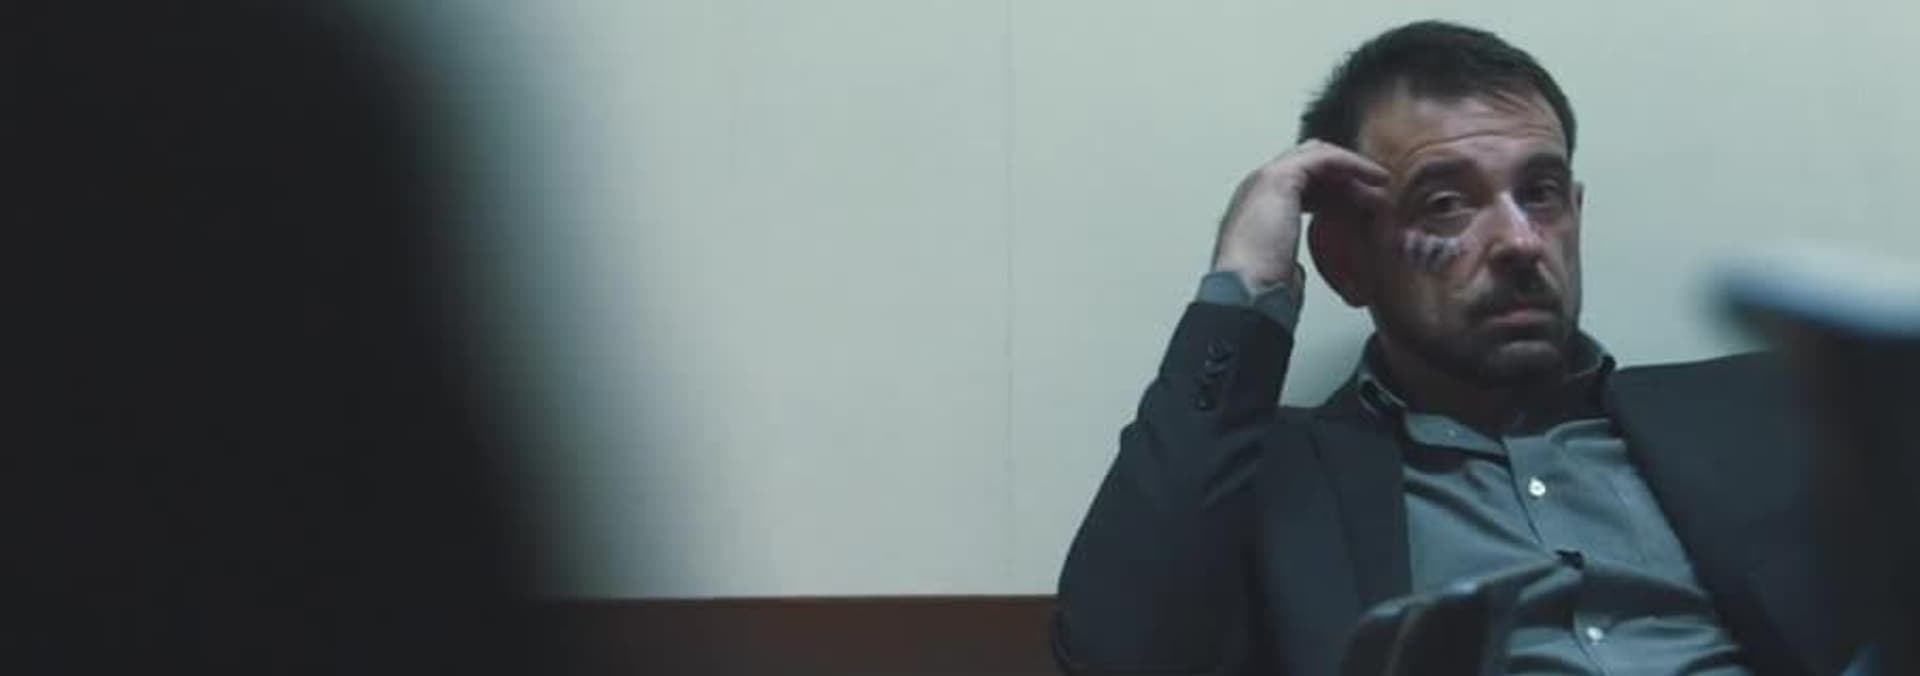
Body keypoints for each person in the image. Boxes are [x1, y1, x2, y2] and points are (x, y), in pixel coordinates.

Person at [1053, 20, 1888, 676]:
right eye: (1447, 203)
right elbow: (1120, 652)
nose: (1521, 241)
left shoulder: (1764, 409)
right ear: (1346, 260)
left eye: (1542, 193)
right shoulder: (1275, 480)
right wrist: (1246, 286)